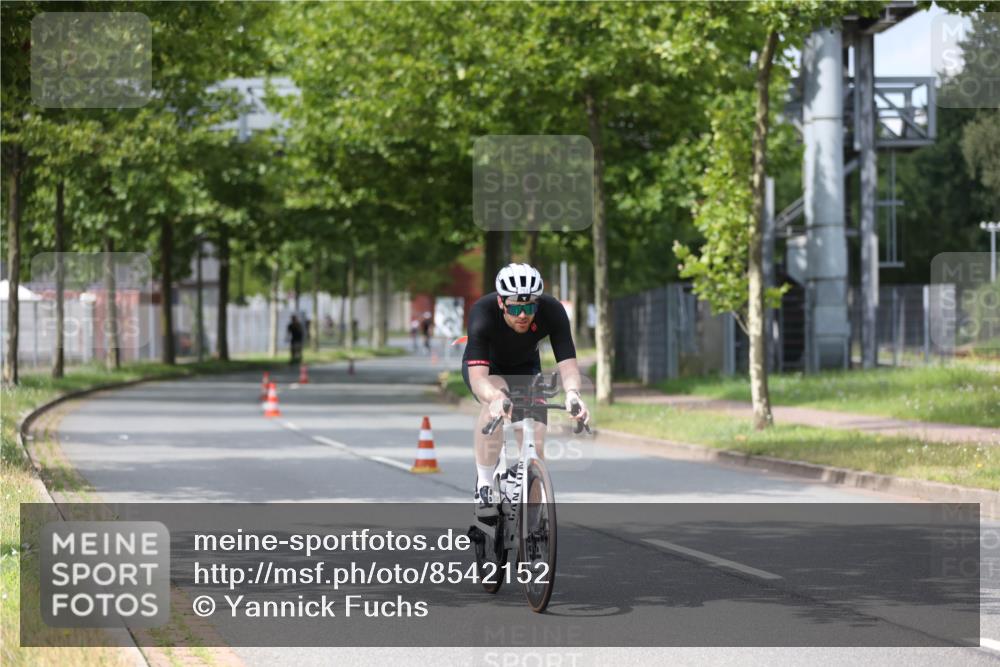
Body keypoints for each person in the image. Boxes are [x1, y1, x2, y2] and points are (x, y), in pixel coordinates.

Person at [461, 263, 589, 515]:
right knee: (497, 401)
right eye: (516, 308)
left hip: (526, 369)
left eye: (529, 307)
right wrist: (495, 398)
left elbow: (568, 365)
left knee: (536, 442)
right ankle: (485, 484)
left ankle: (531, 528)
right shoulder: (483, 312)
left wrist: (573, 394)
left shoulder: (552, 310)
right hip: (488, 370)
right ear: (501, 303)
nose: (523, 315)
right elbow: (478, 380)